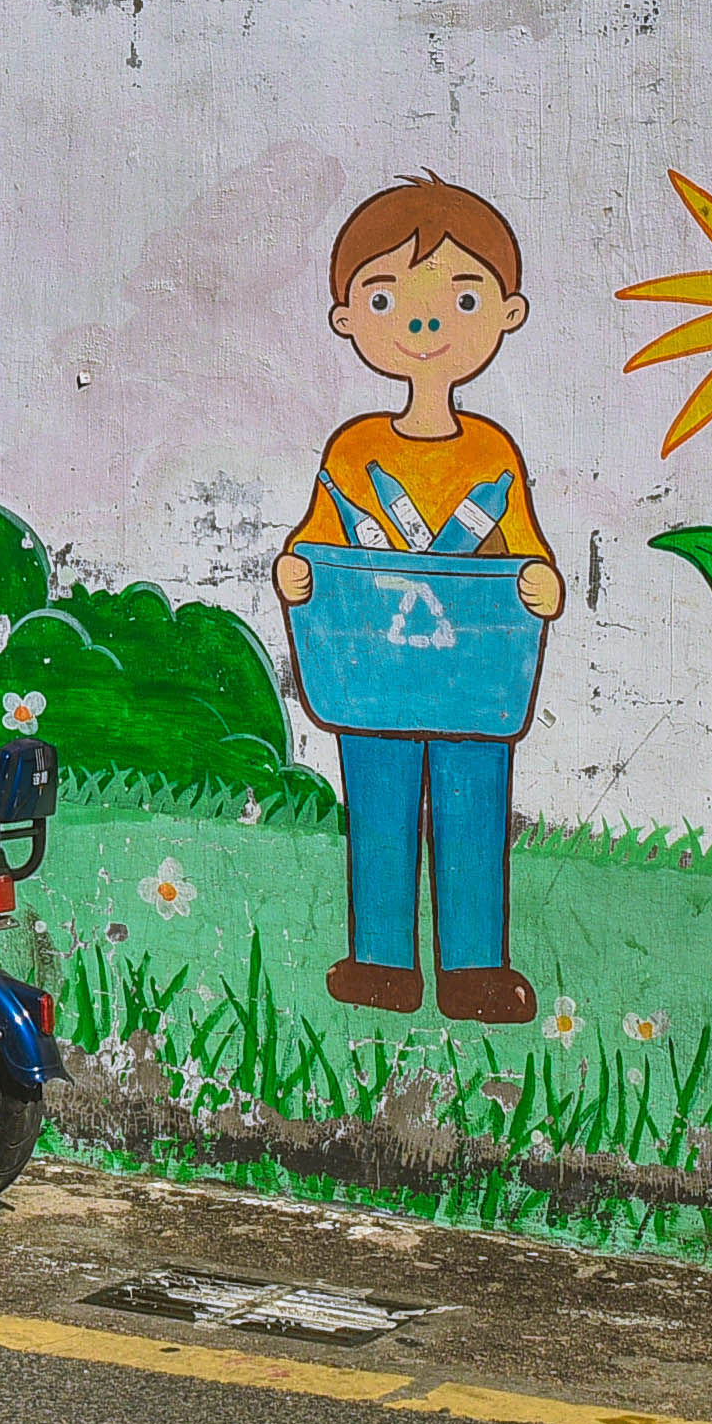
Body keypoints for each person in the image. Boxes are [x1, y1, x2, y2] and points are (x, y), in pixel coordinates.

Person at [274, 176, 562, 1024]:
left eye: (461, 297)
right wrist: (297, 566)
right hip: (373, 668)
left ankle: (474, 968)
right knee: (381, 805)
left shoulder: (492, 451)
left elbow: (523, 538)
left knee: (474, 800)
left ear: (505, 313)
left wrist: (539, 579)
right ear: (349, 319)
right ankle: (381, 962)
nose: (426, 323)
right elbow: (319, 532)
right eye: (389, 296)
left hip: (474, 670)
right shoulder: (356, 447)